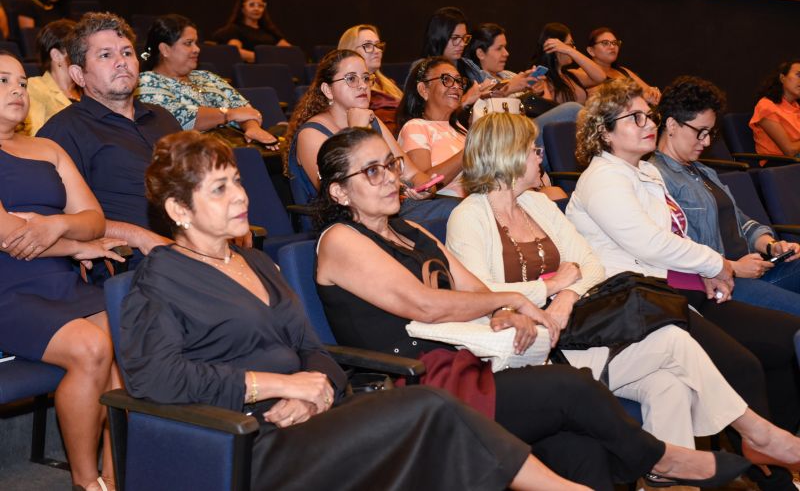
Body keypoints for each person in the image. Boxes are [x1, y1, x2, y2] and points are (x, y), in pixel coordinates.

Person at [121, 129, 602, 491]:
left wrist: (319, 390)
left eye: (237, 182)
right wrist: (277, 387)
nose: (242, 196)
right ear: (179, 211)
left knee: (556, 441)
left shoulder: (256, 263)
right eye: (219, 189)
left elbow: (315, 350)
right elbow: (155, 379)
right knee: (431, 408)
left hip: (312, 415)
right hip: (244, 439)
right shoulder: (160, 278)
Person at [312, 126, 752, 491]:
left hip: (468, 363)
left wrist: (503, 311)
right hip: (415, 385)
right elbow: (424, 305)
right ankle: (663, 460)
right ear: (339, 191)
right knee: (570, 387)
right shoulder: (340, 240)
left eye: (389, 165)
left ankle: (657, 465)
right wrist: (512, 299)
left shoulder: (409, 229)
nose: (390, 177)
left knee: (584, 453)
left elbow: (474, 289)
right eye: (372, 172)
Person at [446, 111, 800, 456]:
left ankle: (675, 480)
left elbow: (590, 265)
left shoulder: (537, 205)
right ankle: (757, 434)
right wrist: (551, 288)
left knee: (669, 383)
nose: (541, 157)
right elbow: (480, 295)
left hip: (573, 333)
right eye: (533, 150)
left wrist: (566, 298)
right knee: (676, 344)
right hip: (525, 349)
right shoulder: (468, 216)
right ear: (506, 155)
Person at [566, 78, 800, 489]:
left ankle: (765, 453)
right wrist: (716, 264)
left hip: (662, 298)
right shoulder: (604, 178)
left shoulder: (641, 175)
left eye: (648, 115)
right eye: (634, 117)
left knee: (778, 346)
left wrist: (705, 272)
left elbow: (671, 244)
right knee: (742, 365)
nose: (647, 123)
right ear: (604, 131)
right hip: (626, 311)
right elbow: (647, 243)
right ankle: (767, 454)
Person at [0, 50, 126, 491]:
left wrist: (56, 224)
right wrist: (77, 246)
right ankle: (85, 482)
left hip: (62, 283)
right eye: (2, 81)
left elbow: (94, 216)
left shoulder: (47, 148)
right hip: (9, 288)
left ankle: (115, 477)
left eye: (20, 82)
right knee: (91, 348)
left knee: (127, 344)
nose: (16, 90)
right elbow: (9, 236)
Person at [38, 12, 181, 270]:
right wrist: (140, 236)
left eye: (127, 53)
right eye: (106, 55)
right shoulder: (63, 132)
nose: (121, 62)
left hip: (197, 248)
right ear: (78, 75)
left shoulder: (163, 118)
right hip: (137, 264)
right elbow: (60, 218)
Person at [651, 76, 800, 315]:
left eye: (710, 132)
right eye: (701, 132)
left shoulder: (703, 170)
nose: (707, 141)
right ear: (671, 125)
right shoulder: (655, 178)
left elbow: (742, 222)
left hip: (754, 268)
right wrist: (732, 267)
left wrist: (772, 246)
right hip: (723, 282)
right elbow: (674, 250)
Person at [285, 49, 458, 221]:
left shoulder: (372, 119)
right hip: (348, 224)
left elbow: (411, 174)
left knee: (463, 210)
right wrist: (357, 129)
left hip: (389, 213)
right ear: (328, 90)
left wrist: (425, 188)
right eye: (351, 79)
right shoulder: (311, 134)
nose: (363, 85)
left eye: (366, 78)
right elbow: (345, 197)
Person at [136, 14, 278, 147]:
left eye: (196, 43)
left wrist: (252, 128)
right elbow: (178, 119)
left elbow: (245, 109)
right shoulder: (146, 81)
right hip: (189, 159)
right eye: (188, 43)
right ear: (165, 49)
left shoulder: (206, 76)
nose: (197, 49)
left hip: (234, 149)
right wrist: (229, 114)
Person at [463, 23, 583, 170]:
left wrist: (536, 92)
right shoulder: (476, 82)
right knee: (573, 110)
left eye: (505, 47)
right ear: (481, 53)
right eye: (499, 48)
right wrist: (508, 89)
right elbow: (483, 117)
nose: (506, 53)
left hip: (527, 132)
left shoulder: (510, 75)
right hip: (507, 141)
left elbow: (541, 107)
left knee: (564, 128)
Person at [397, 56, 468, 198]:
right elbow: (424, 184)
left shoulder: (462, 130)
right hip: (445, 212)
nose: (456, 86)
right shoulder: (415, 127)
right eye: (446, 79)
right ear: (424, 89)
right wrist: (469, 152)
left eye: (459, 81)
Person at [419, 7, 493, 108]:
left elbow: (489, 82)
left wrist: (503, 88)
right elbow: (430, 113)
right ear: (439, 38)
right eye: (455, 38)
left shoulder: (466, 64)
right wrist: (466, 99)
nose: (462, 44)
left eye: (464, 38)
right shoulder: (423, 69)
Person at [337, 24, 403, 134]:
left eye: (378, 45)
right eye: (367, 45)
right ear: (350, 51)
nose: (377, 50)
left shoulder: (389, 84)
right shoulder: (348, 92)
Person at [22, 19, 80, 136]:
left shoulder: (87, 89)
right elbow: (35, 137)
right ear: (57, 55)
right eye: (76, 51)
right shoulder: (35, 87)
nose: (84, 56)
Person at [575, 27, 660, 104]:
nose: (612, 46)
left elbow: (648, 91)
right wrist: (641, 97)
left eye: (615, 43)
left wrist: (652, 93)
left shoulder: (623, 71)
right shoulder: (582, 73)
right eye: (605, 43)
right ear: (590, 51)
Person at [531, 22, 605, 105]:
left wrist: (570, 50)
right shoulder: (542, 78)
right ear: (557, 49)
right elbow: (546, 109)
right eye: (571, 44)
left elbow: (601, 77)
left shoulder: (571, 75)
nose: (574, 49)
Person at [212, 0, 290, 63]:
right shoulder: (235, 29)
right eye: (252, 5)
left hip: (275, 70)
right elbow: (235, 51)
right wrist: (267, 59)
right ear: (242, 8)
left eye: (260, 5)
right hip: (250, 71)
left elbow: (290, 51)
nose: (256, 9)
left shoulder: (269, 31)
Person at [750, 59, 800, 159]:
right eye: (799, 75)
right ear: (782, 78)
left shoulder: (796, 106)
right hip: (780, 164)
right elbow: (789, 150)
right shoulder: (766, 106)